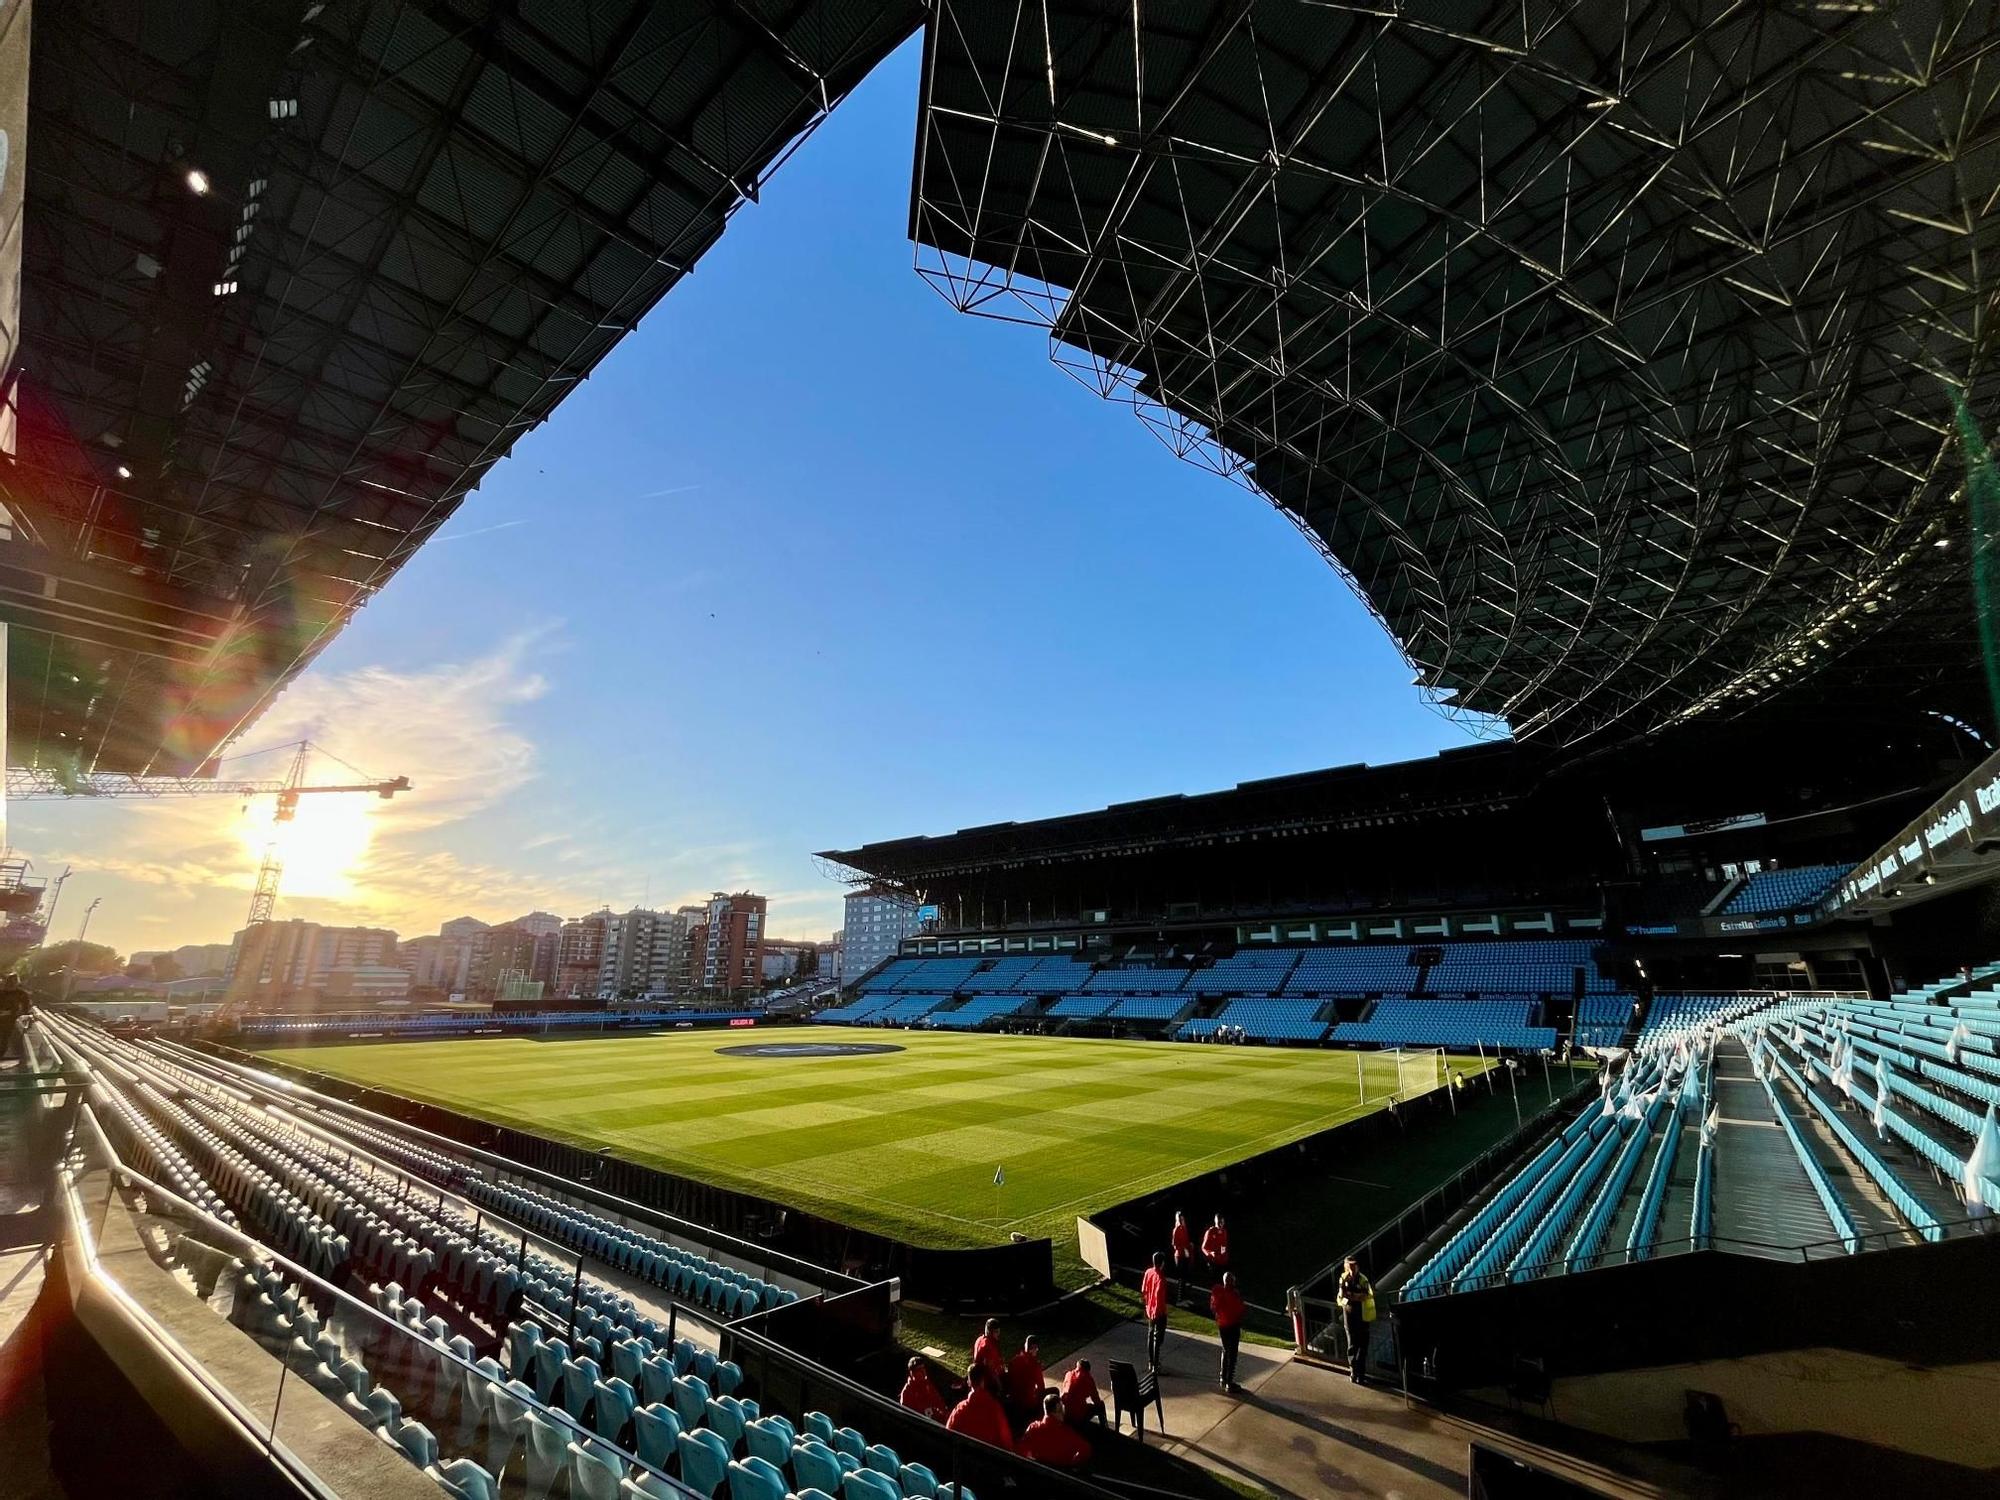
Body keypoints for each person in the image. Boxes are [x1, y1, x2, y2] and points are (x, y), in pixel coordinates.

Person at [946, 1365, 1014, 1452]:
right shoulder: (995, 1409)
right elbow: (1007, 1443)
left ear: (969, 1382)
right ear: (983, 1382)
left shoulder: (959, 1410)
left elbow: (948, 1433)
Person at [1018, 1390, 1091, 1468]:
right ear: (1057, 1411)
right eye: (1061, 1410)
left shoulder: (1033, 1428)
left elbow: (1021, 1449)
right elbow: (1086, 1449)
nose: (1063, 1413)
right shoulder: (1066, 1433)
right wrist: (1072, 1464)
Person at [1336, 1257, 1373, 1384]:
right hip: (1350, 1317)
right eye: (1349, 1265)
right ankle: (1354, 1372)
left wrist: (1352, 1296)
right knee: (1352, 1344)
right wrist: (1356, 1296)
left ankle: (1360, 1375)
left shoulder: (1363, 1279)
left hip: (1363, 1317)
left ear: (1357, 1266)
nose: (1351, 1268)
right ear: (1346, 1266)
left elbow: (1365, 1295)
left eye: (1353, 1265)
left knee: (1362, 1346)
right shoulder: (1344, 1278)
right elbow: (1342, 1294)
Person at [1210, 1271, 1247, 1394]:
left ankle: (1223, 1377)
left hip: (1222, 1325)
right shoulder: (1233, 1295)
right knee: (1232, 1353)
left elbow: (1213, 1306)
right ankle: (1229, 1382)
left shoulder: (1217, 1291)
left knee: (1225, 1350)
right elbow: (1240, 1310)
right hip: (1232, 1326)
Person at [1005, 1335, 1046, 1425]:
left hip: (1014, 1400)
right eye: (1036, 1348)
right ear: (1034, 1348)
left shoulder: (1013, 1361)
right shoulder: (1035, 1365)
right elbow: (1041, 1388)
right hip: (1028, 1403)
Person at [1140, 1250, 1170, 1371]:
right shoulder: (1161, 1280)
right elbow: (1159, 1298)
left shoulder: (1148, 1272)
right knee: (1158, 1339)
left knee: (1151, 1335)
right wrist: (1160, 1312)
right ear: (1162, 1263)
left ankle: (1151, 1362)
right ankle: (1155, 1365)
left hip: (1150, 1309)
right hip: (1159, 1312)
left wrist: (1148, 1305)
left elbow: (1144, 1290)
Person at [1059, 1358, 1105, 1429]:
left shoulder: (1068, 1374)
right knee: (1101, 1405)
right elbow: (1095, 1399)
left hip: (1066, 1413)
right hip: (1078, 1415)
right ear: (1088, 1371)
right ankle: (1104, 1428)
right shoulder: (1088, 1379)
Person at [900, 1355, 948, 1421]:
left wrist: (944, 1413)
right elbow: (906, 1415)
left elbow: (939, 1401)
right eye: (919, 1370)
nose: (923, 1372)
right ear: (912, 1373)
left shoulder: (927, 1385)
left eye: (923, 1368)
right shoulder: (907, 1392)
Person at [970, 1317, 1007, 1388]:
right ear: (990, 1332)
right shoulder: (989, 1346)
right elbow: (991, 1370)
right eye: (996, 1332)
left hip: (978, 1376)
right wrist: (1000, 1385)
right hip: (987, 1381)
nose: (999, 1334)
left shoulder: (979, 1339)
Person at [1170, 1210, 1195, 1298]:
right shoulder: (1176, 1229)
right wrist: (1184, 1249)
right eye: (1181, 1220)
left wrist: (1189, 1245)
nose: (1182, 1221)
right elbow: (1175, 1245)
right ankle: (1180, 1299)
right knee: (1181, 1278)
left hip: (1185, 1255)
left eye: (1183, 1219)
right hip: (1180, 1256)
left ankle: (1183, 1297)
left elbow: (1186, 1241)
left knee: (1184, 1278)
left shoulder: (1184, 1228)